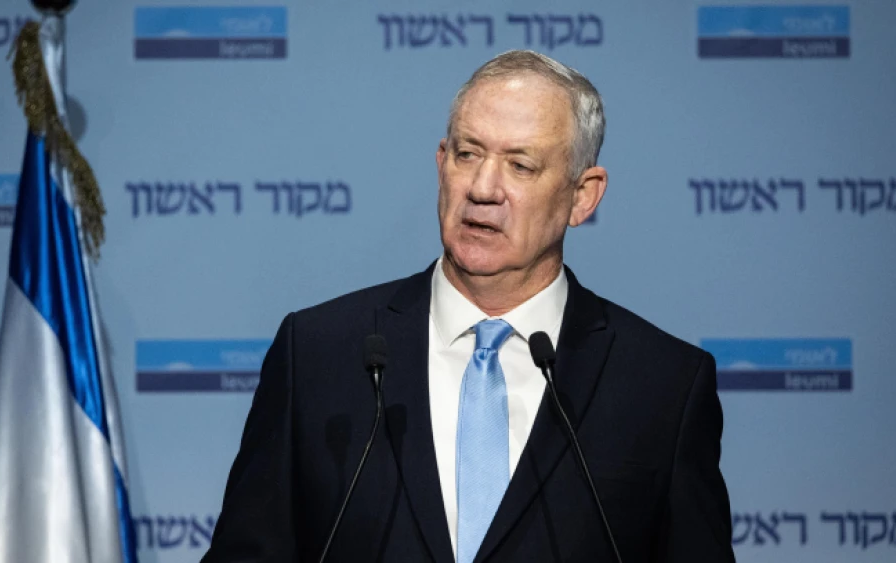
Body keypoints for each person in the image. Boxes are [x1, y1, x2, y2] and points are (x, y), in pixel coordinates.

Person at [201, 50, 735, 563]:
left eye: (520, 165)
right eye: (467, 154)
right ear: (441, 164)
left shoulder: (664, 385)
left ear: (583, 196)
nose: (482, 188)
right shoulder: (319, 353)